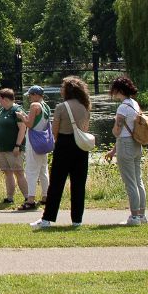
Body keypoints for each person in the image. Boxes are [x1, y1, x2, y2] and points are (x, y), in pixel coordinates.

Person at [31, 76, 92, 230]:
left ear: (68, 90)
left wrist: (56, 142)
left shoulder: (61, 107)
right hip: (80, 146)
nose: (60, 90)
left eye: (62, 87)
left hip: (64, 145)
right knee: (78, 184)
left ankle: (47, 218)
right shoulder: (85, 106)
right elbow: (85, 128)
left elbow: (55, 130)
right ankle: (77, 220)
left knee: (56, 184)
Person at [106, 75, 148, 226]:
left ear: (119, 90)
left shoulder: (122, 107)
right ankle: (141, 215)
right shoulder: (134, 104)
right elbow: (130, 129)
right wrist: (113, 151)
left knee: (130, 182)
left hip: (125, 145)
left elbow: (117, 132)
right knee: (138, 180)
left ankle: (134, 217)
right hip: (136, 144)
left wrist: (114, 128)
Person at [0, 87, 29, 207]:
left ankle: (28, 197)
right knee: (7, 172)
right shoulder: (1, 111)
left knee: (19, 172)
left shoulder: (17, 110)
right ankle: (9, 197)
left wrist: (17, 145)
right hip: (1, 148)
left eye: (0, 99)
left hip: (13, 148)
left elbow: (22, 129)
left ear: (6, 99)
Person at [21, 85, 53, 211]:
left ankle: (30, 200)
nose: (29, 97)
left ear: (35, 95)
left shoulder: (34, 106)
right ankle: (46, 196)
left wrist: (21, 117)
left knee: (31, 170)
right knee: (43, 170)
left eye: (30, 95)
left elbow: (29, 124)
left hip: (34, 141)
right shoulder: (46, 106)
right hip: (43, 141)